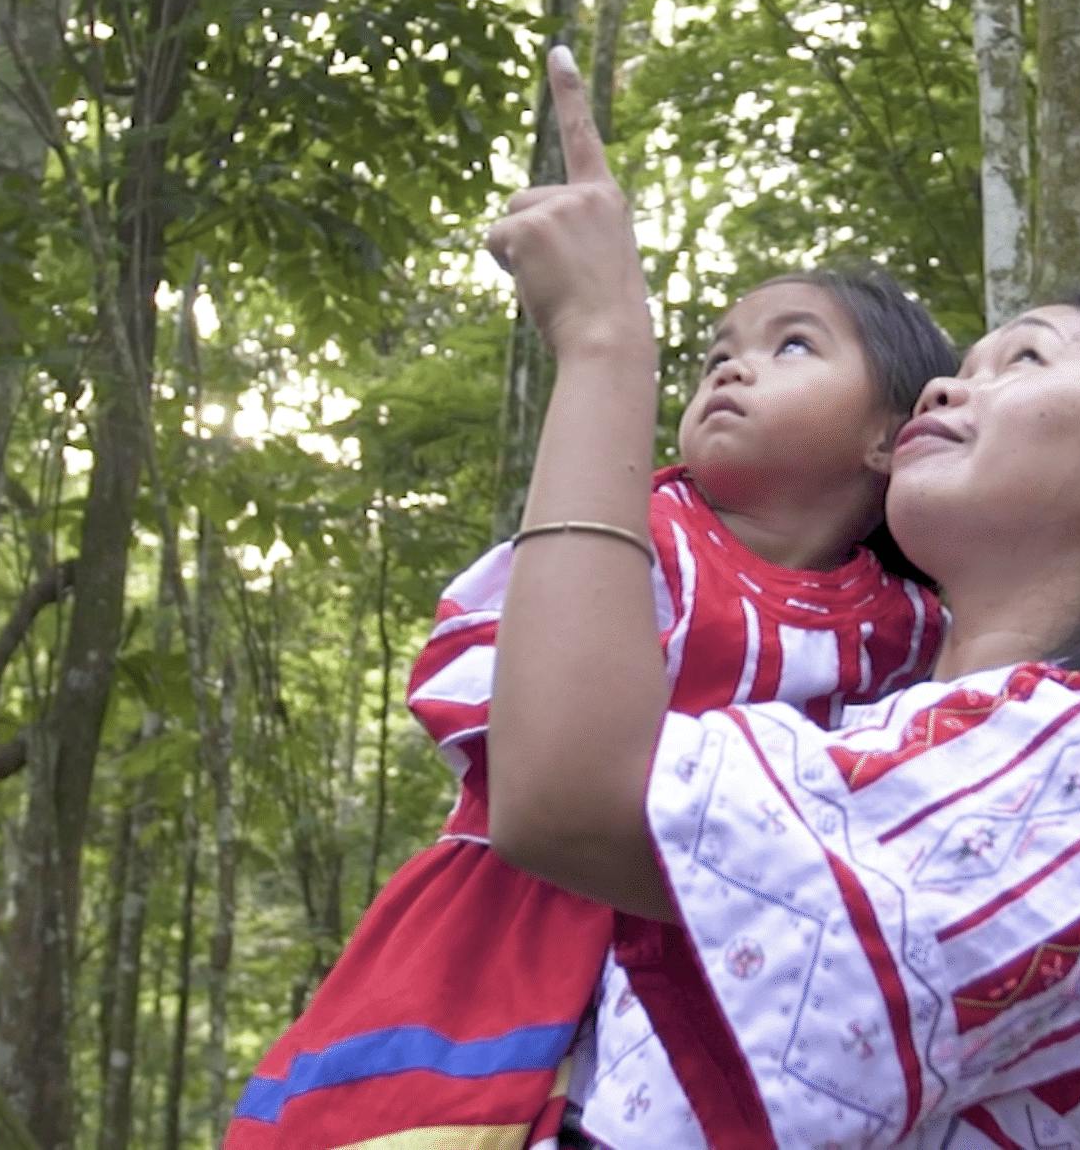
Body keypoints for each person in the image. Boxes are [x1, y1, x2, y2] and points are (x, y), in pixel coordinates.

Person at [483, 55, 1080, 1146]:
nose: (951, 383)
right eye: (960, 366)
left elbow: (567, 796)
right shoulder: (838, 722)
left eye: (1022, 359)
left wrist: (606, 342)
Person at [225, 199, 959, 1142]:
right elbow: (475, 678)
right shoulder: (632, 537)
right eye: (716, 353)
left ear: (890, 438)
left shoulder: (917, 631)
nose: (732, 365)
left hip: (733, 985)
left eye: (794, 347)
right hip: (500, 941)